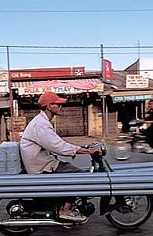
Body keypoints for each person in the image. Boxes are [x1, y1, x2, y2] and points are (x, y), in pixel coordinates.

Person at [20, 91, 102, 222]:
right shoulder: (40, 125)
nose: (60, 106)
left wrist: (82, 148)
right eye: (57, 104)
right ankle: (65, 210)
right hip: (42, 167)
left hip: (45, 162)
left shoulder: (42, 121)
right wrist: (88, 151)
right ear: (48, 106)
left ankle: (65, 205)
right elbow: (59, 147)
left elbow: (56, 143)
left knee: (70, 169)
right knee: (81, 176)